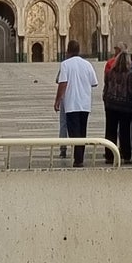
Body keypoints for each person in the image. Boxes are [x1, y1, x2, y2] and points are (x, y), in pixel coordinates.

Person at [53, 39, 99, 168]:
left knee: (74, 133)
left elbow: (62, 83)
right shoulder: (87, 64)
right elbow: (94, 82)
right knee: (82, 131)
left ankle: (78, 159)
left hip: (71, 104)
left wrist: (57, 100)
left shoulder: (65, 64)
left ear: (68, 51)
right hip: (85, 104)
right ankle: (79, 158)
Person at [102, 46, 132, 162]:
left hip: (111, 105)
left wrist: (106, 100)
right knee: (125, 131)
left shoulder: (110, 73)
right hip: (125, 107)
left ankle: (109, 156)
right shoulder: (130, 74)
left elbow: (106, 87)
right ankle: (126, 156)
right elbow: (131, 91)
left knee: (110, 131)